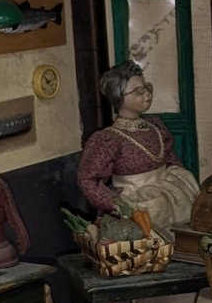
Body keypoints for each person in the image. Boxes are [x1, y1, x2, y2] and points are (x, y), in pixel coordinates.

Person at [77, 62, 202, 233]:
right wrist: (116, 204)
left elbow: (169, 156)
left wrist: (178, 175)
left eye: (147, 88)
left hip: (171, 196)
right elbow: (87, 179)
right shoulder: (109, 139)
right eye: (138, 91)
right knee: (149, 238)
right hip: (137, 204)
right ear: (119, 96)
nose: (147, 94)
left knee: (181, 234)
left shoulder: (154, 126)